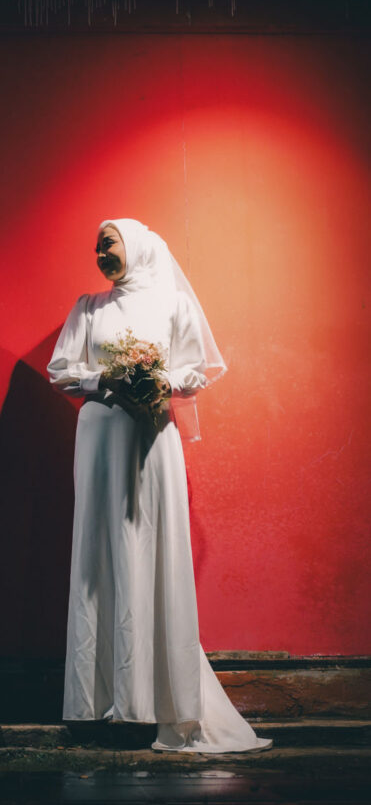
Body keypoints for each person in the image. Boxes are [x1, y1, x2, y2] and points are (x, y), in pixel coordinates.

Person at [47, 218, 272, 753]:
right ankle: (98, 703)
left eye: (108, 244)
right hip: (99, 440)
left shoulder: (174, 304)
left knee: (148, 547)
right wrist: (104, 379)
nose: (100, 254)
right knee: (100, 552)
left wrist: (156, 379)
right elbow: (60, 370)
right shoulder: (88, 308)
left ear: (137, 247)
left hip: (150, 438)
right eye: (96, 247)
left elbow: (196, 370)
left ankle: (151, 701)